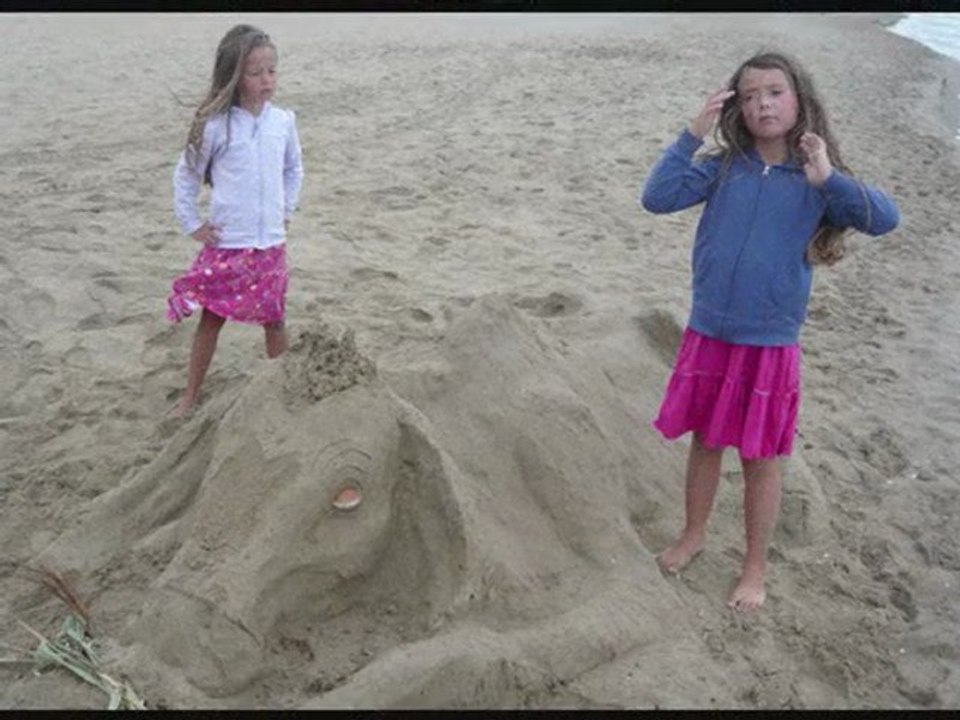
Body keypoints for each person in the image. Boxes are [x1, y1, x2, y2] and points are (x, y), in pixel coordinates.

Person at [639, 51, 899, 612]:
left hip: (769, 342)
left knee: (761, 458)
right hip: (710, 330)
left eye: (775, 92)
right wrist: (691, 134)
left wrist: (828, 178)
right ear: (737, 106)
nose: (763, 104)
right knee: (706, 442)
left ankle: (754, 567)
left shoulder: (815, 177)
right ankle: (692, 535)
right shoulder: (723, 166)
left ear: (799, 98)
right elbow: (656, 197)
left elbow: (885, 218)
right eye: (750, 95)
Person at [167, 24, 304, 417]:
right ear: (235, 76)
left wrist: (286, 210)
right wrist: (192, 223)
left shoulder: (283, 122)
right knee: (211, 319)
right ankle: (190, 396)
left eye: (272, 71)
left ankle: (286, 393)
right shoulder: (217, 125)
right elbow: (187, 173)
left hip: (270, 243)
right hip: (228, 243)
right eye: (256, 72)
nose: (267, 80)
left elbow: (294, 169)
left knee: (275, 321)